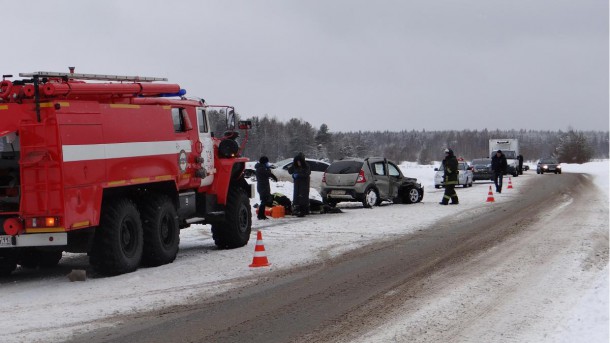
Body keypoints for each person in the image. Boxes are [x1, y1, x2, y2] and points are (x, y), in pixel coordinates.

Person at [288, 152, 311, 217]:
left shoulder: (306, 166)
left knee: (303, 197)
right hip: (297, 184)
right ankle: (298, 210)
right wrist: (292, 168)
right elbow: (290, 171)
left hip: (304, 184)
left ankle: (303, 211)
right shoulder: (295, 166)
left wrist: (299, 175)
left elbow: (307, 173)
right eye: (297, 162)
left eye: (299, 161)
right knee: (297, 197)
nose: (298, 163)